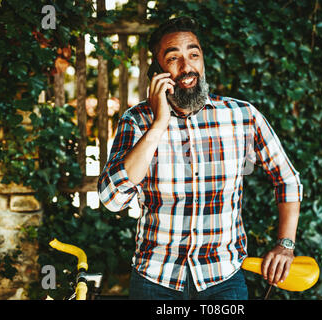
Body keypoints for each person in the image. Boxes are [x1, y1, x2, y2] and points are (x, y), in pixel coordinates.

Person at [98, 17, 303, 300]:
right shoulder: (136, 122)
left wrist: (286, 244)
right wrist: (158, 125)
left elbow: (288, 179)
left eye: (193, 55)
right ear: (157, 71)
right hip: (155, 281)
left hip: (223, 280)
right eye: (173, 58)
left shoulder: (242, 116)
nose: (187, 67)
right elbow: (112, 199)